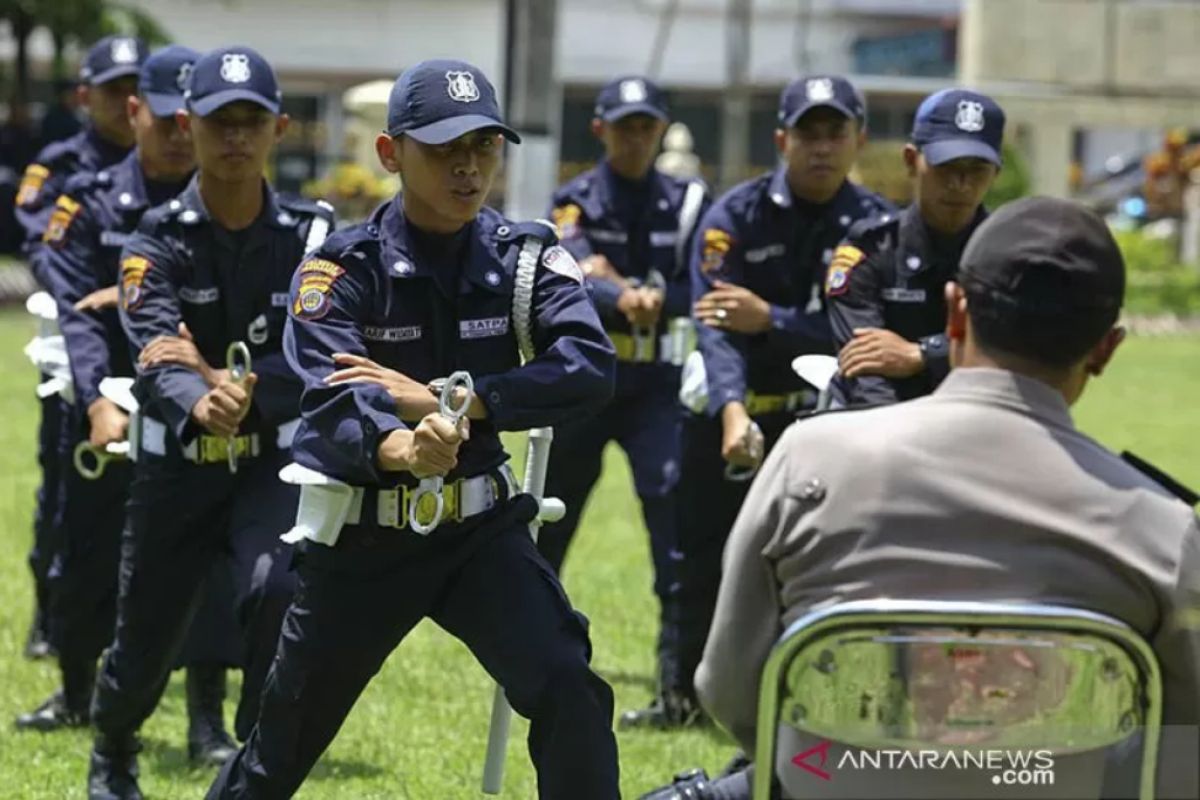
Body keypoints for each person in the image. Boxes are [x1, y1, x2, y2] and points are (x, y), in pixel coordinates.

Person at [646, 196, 1200, 799]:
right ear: (1106, 349)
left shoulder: (811, 462)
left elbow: (729, 689)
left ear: (955, 312)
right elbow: (1181, 751)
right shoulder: (1161, 529)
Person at [207, 58, 620, 800]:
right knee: (278, 751)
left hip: (478, 532)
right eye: (443, 149)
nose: (468, 168)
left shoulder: (524, 257)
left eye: (484, 147)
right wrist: (404, 447)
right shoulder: (339, 269)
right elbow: (330, 403)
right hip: (368, 537)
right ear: (391, 154)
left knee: (568, 685)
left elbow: (589, 366)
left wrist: (456, 402)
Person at [86, 46, 334, 799]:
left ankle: (252, 763)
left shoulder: (313, 237)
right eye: (219, 122)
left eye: (250, 122)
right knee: (146, 639)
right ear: (186, 126)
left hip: (268, 460)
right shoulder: (153, 239)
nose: (235, 138)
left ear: (279, 129)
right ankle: (114, 750)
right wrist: (200, 398)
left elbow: (322, 345)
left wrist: (249, 397)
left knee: (277, 591)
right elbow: (154, 347)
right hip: (177, 464)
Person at [20, 45, 243, 767]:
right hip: (103, 405)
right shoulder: (87, 199)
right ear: (137, 112)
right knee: (82, 559)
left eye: (192, 118)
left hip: (192, 410)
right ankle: (78, 690)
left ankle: (207, 721)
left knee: (205, 569)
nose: (182, 131)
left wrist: (135, 293)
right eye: (167, 116)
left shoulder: (222, 207)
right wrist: (94, 404)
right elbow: (75, 309)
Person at [658, 74, 892, 729]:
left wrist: (773, 319)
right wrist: (732, 410)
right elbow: (717, 325)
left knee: (819, 561)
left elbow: (863, 334)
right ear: (782, 139)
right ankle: (682, 698)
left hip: (824, 422)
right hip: (730, 412)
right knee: (698, 557)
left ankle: (808, 700)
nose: (822, 148)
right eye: (808, 134)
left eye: (835, 133)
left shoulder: (876, 227)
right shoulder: (734, 218)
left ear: (858, 140)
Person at [542, 75, 709, 728]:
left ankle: (678, 690)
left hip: (658, 389)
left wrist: (648, 294)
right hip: (587, 381)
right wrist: (615, 295)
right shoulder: (573, 201)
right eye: (624, 126)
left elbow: (707, 283)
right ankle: (534, 662)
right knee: (548, 524)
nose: (636, 138)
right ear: (600, 130)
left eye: (647, 126)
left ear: (662, 129)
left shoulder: (691, 202)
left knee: (674, 532)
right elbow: (565, 270)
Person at [18, 34, 148, 662]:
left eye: (138, 88)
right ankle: (52, 612)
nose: (128, 100)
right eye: (115, 88)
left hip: (152, 347)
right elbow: (41, 245)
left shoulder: (174, 165)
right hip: (76, 351)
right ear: (83, 96)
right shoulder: (60, 163)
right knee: (67, 487)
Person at [827, 88, 1005, 406]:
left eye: (976, 169)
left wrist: (922, 354)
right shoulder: (869, 251)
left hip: (980, 424)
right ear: (911, 161)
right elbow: (866, 372)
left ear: (995, 173)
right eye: (946, 165)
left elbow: (1015, 355)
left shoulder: (1010, 257)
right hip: (881, 428)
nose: (960, 183)